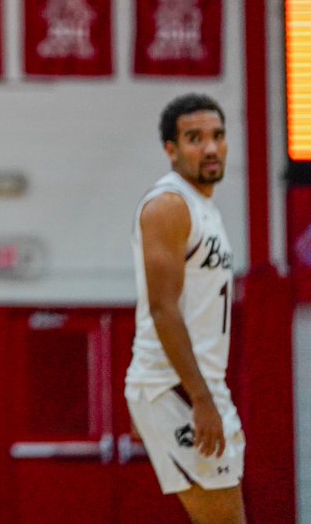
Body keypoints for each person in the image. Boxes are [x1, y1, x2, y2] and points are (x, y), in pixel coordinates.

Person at [125, 94, 246, 524]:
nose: (210, 148)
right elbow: (163, 309)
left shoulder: (204, 208)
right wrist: (200, 398)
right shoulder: (168, 206)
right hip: (174, 387)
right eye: (195, 138)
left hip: (196, 386)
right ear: (170, 149)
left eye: (217, 136)